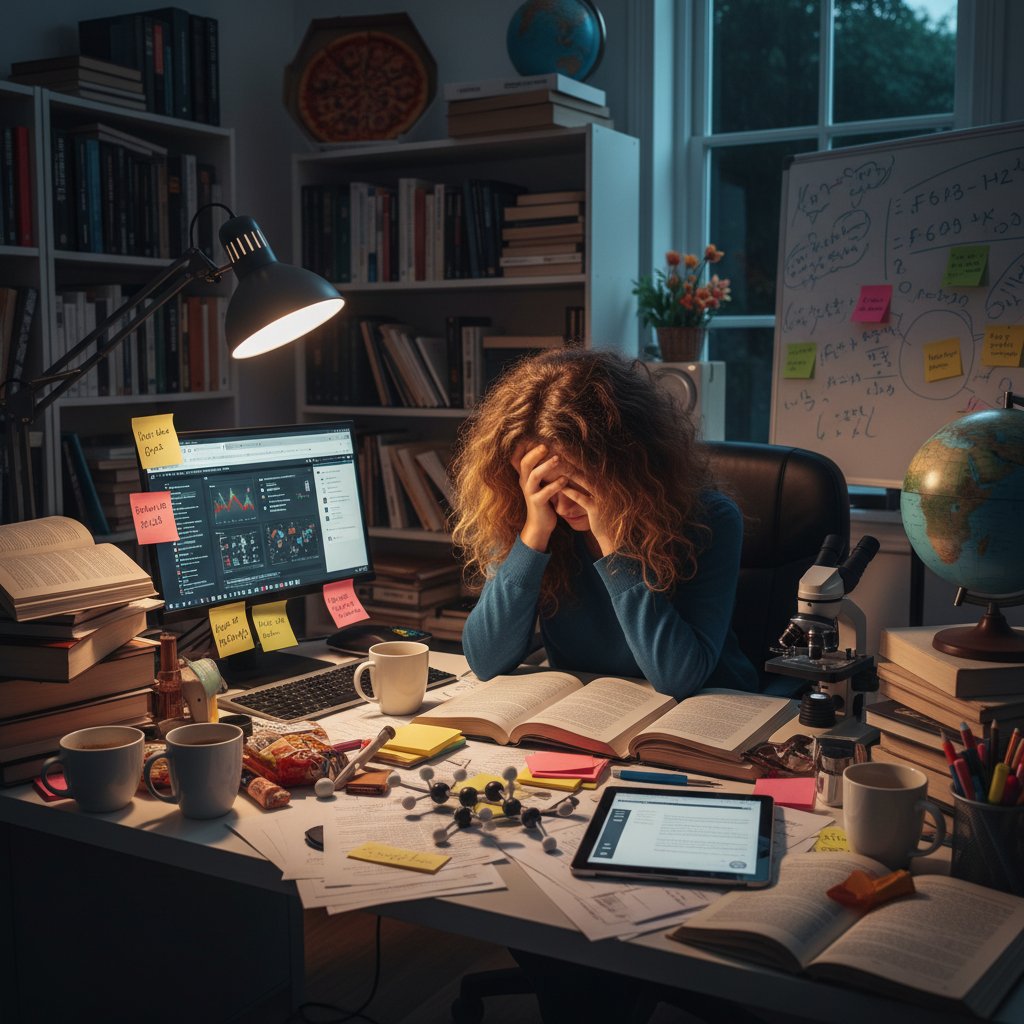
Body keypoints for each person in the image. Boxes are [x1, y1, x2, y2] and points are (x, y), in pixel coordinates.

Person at [451, 347, 759, 698]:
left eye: (578, 480)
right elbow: (485, 660)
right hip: (593, 709)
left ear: (626, 465)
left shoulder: (711, 520)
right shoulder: (532, 515)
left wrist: (614, 546)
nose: (564, 503)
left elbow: (678, 678)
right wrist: (533, 535)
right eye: (545, 484)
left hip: (709, 709)